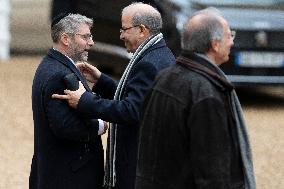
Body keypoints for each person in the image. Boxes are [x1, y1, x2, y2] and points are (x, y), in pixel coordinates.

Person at [52, 2, 176, 189]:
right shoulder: (158, 54)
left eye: (124, 29)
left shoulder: (149, 63)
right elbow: (138, 97)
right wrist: (102, 80)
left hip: (138, 167)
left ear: (142, 30)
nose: (121, 35)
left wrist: (85, 101)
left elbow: (131, 110)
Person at [135, 8, 256, 189]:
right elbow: (213, 173)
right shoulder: (207, 93)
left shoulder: (165, 77)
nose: (232, 42)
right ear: (215, 44)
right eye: (229, 35)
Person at [29, 13, 108, 189]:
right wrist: (100, 125)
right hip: (69, 176)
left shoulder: (54, 65)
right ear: (66, 38)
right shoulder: (58, 74)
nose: (91, 42)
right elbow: (64, 125)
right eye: (85, 37)